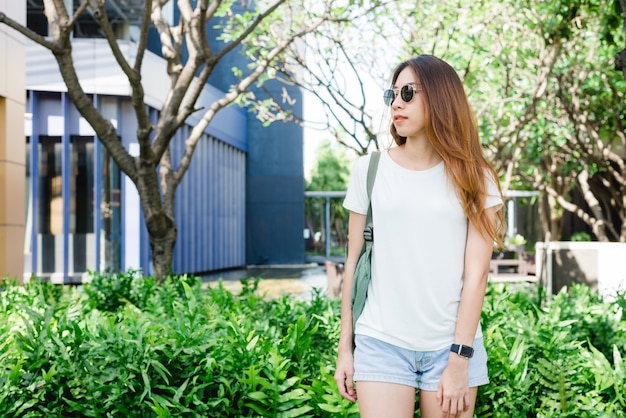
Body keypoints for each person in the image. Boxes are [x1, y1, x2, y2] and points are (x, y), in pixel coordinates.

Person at [334, 55, 506, 418]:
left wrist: (459, 362)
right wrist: (344, 349)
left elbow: (476, 276)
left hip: (453, 347)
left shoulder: (475, 177)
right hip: (381, 341)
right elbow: (353, 263)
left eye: (408, 93)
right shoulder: (370, 169)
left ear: (442, 97)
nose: (397, 103)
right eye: (392, 94)